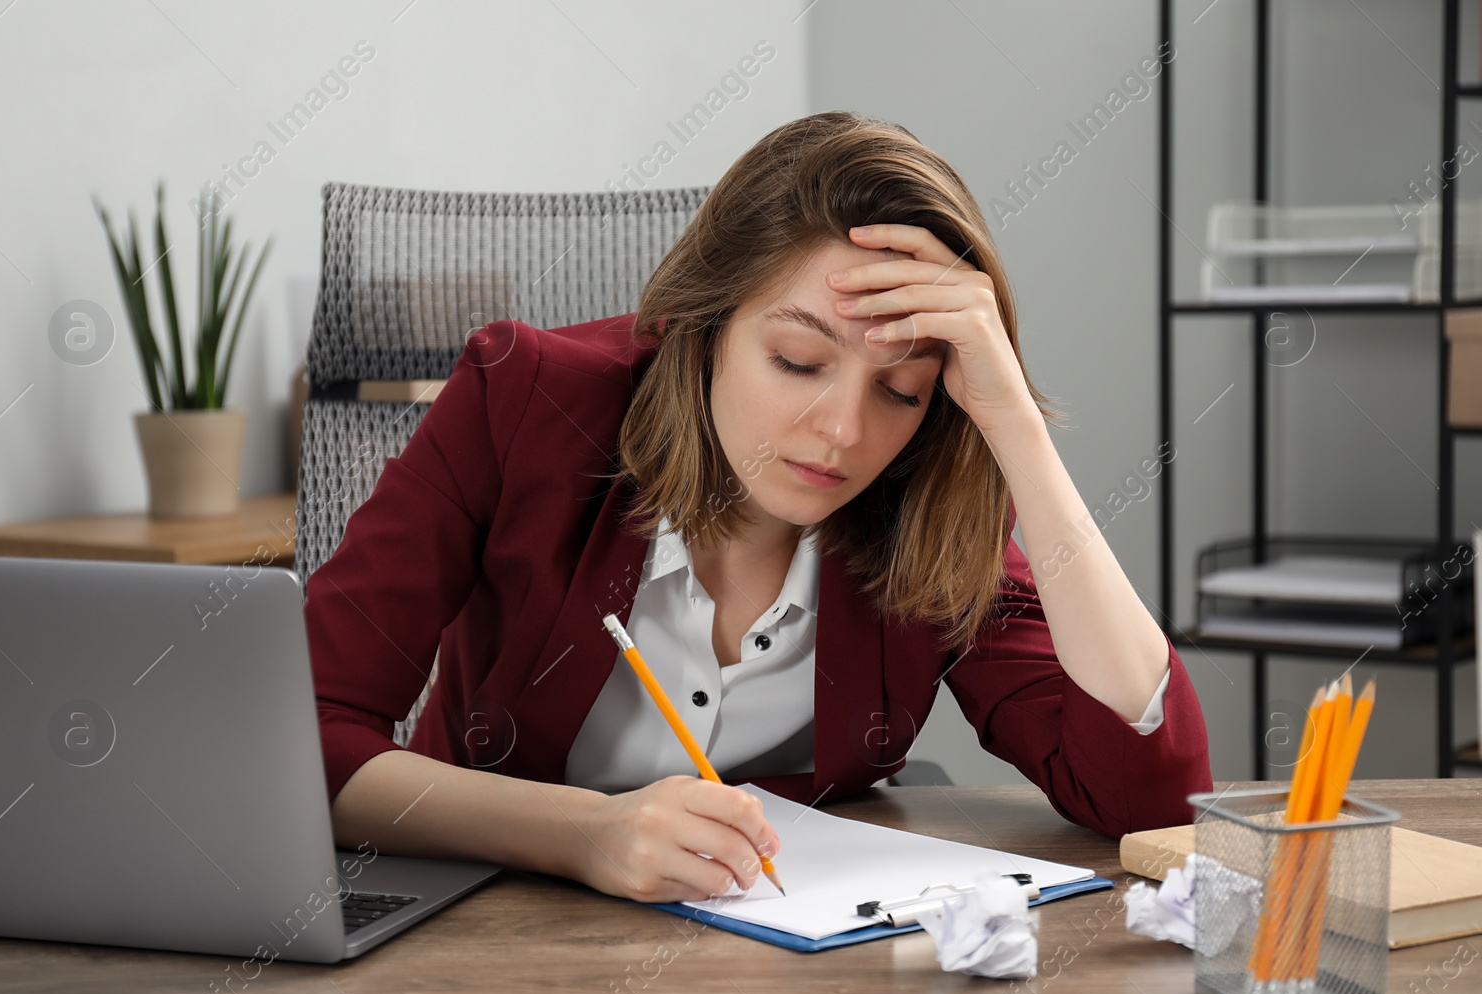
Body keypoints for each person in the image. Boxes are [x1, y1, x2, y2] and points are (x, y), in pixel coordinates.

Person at [305, 110, 1213, 906]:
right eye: (797, 361)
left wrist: (1013, 424)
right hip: (485, 956)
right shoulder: (523, 401)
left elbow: (1148, 801)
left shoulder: (923, 495)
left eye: (899, 389)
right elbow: (304, 741)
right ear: (703, 328)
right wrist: (581, 833)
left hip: (800, 986)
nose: (844, 431)